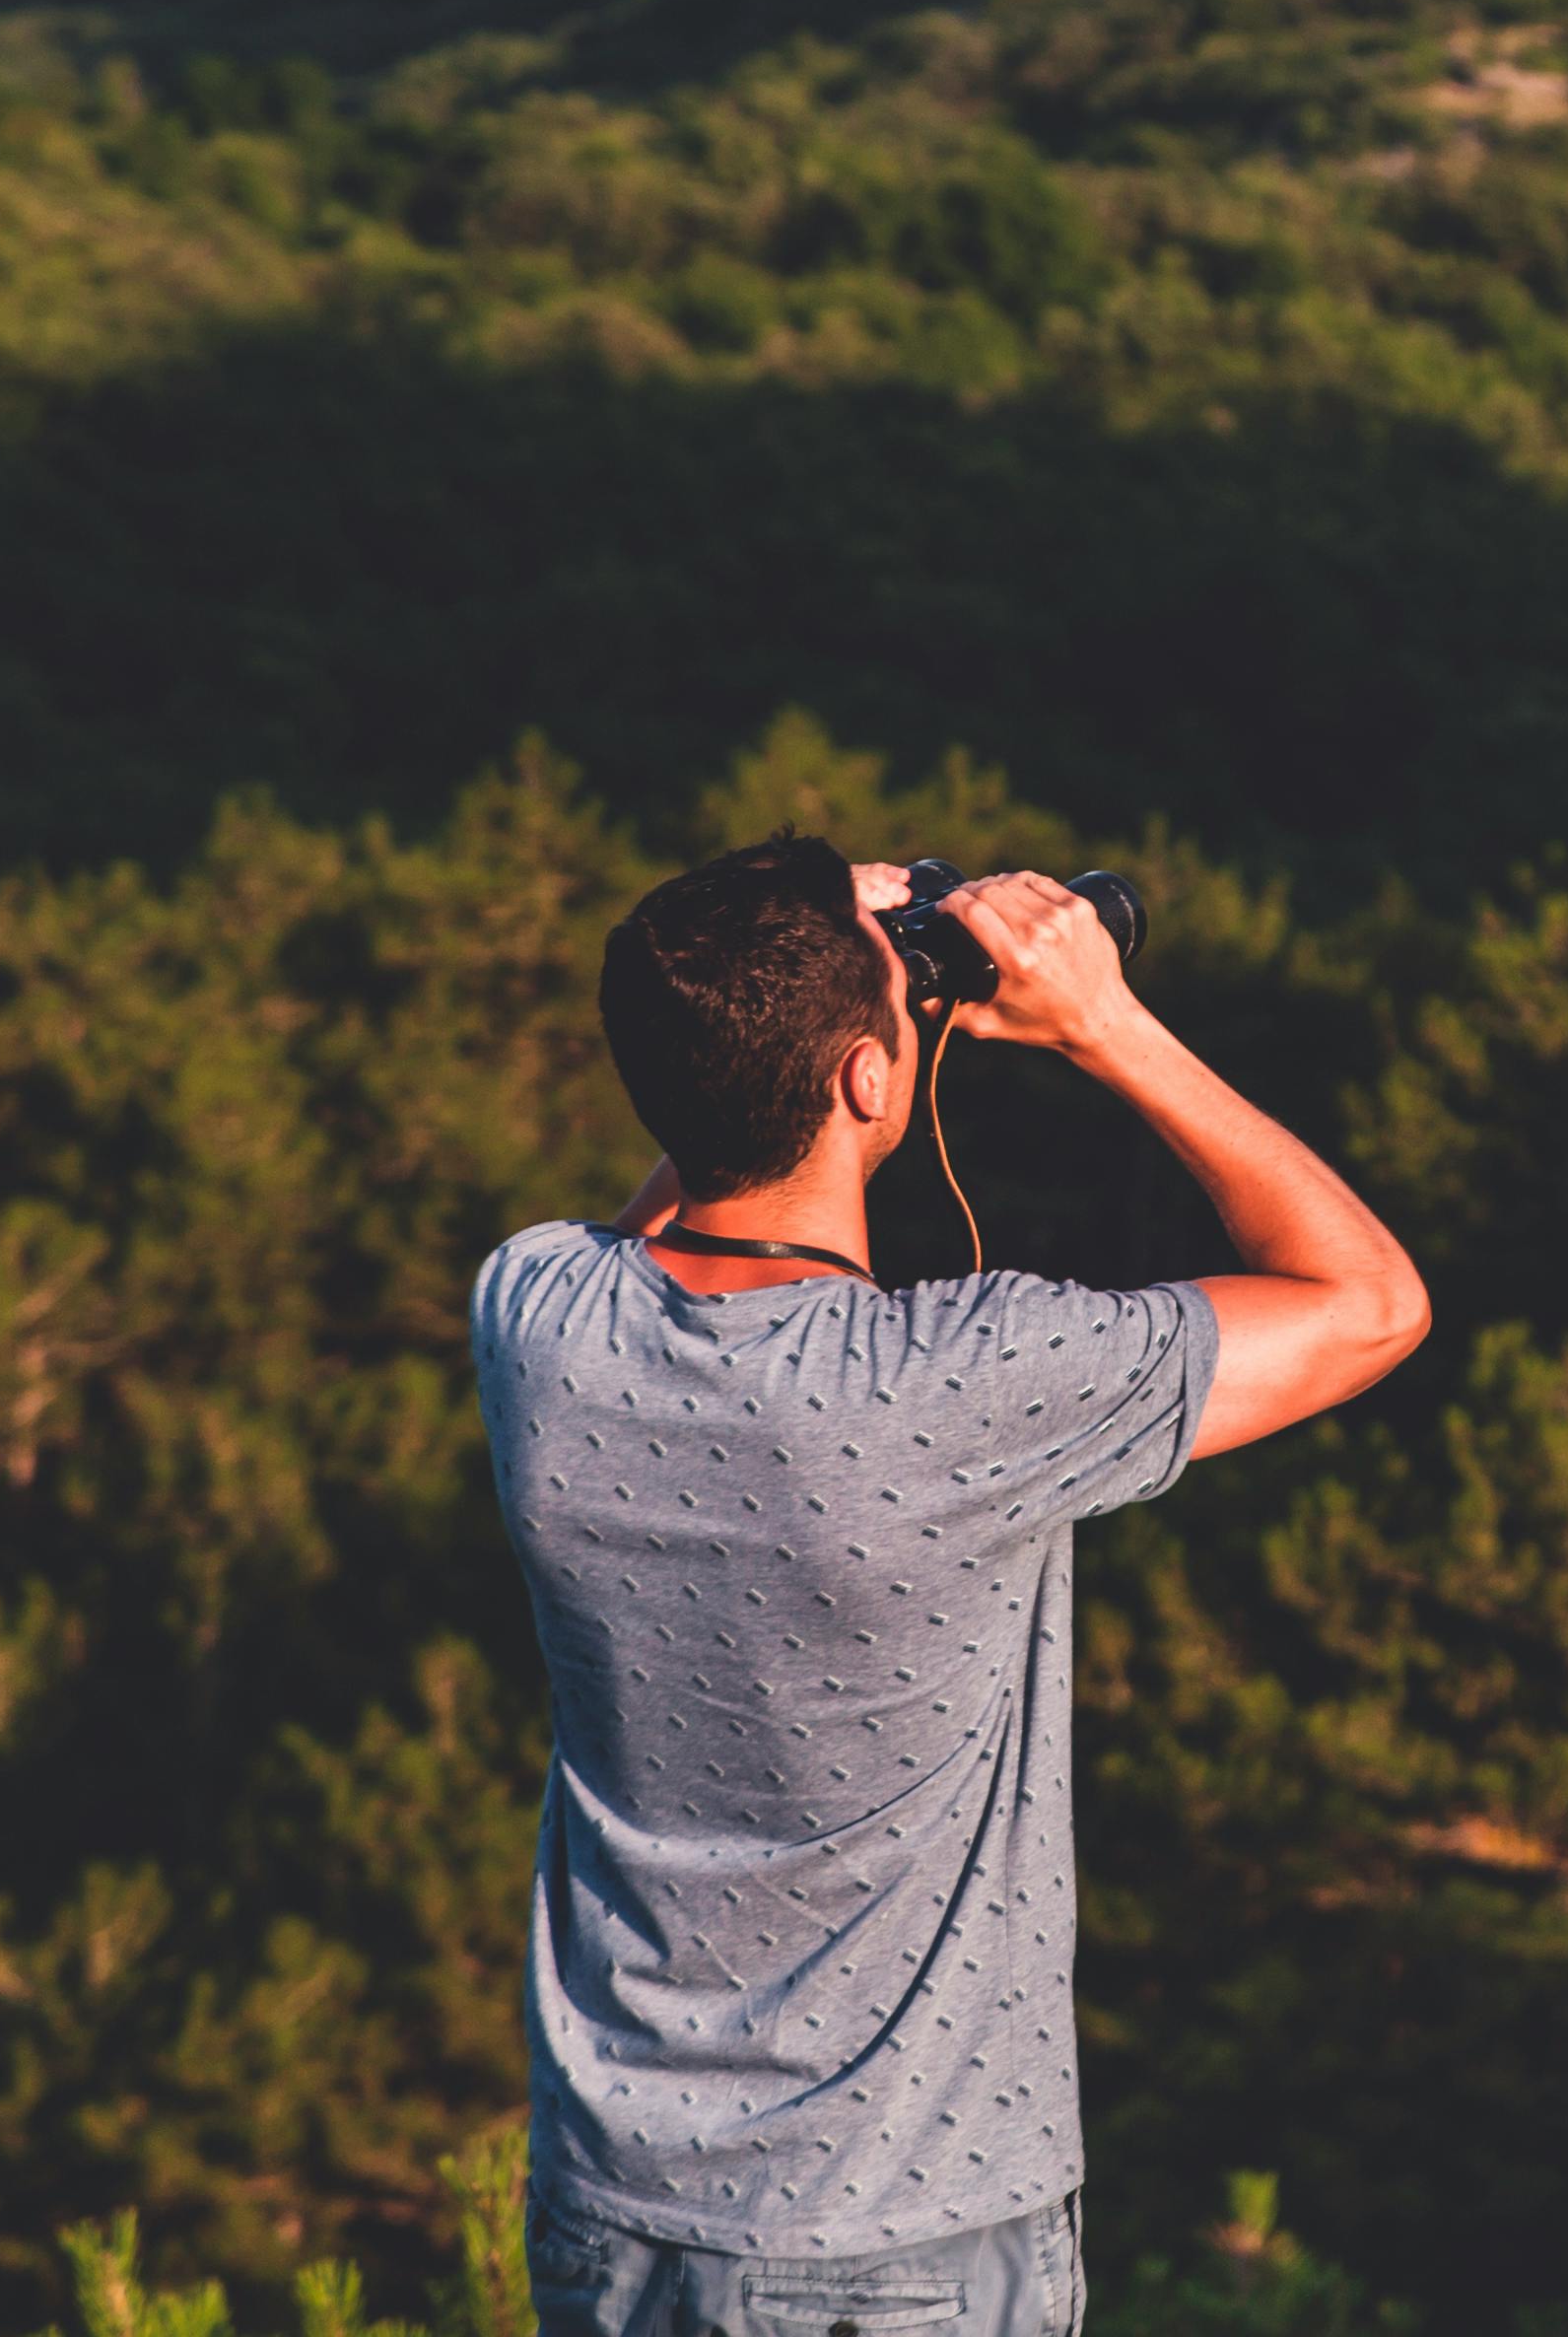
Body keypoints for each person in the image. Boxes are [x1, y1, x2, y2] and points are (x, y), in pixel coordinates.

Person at [471, 840, 1430, 2337]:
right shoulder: (967, 1384)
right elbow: (1369, 1302)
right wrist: (1103, 1021)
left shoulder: (536, 1321)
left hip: (616, 2217)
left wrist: (783, 975)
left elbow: (688, 1176)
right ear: (870, 1081)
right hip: (901, 2235)